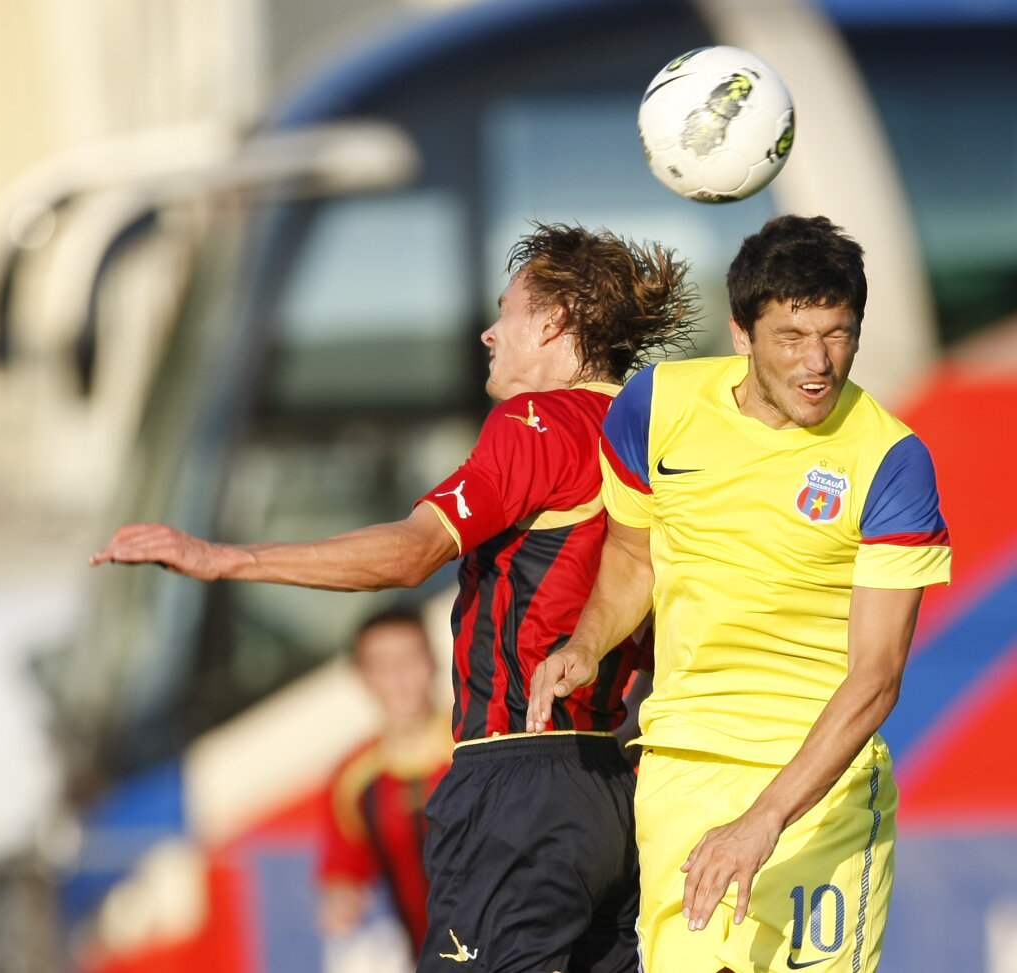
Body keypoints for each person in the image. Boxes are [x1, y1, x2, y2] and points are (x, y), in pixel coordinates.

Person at [90, 221, 698, 973]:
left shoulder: (537, 423)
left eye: (505, 311)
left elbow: (413, 553)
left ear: (553, 322)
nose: (487, 332)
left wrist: (225, 557)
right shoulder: (657, 432)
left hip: (519, 778)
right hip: (612, 783)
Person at [527, 214, 953, 973]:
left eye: (839, 333)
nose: (819, 361)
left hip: (820, 784)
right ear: (741, 334)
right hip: (680, 770)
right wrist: (587, 643)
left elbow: (877, 674)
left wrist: (763, 820)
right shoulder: (654, 407)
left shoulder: (892, 460)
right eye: (792, 335)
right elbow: (633, 558)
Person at [317, 606, 451, 964]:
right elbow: (344, 873)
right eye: (383, 666)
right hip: (424, 959)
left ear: (433, 663)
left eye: (410, 660)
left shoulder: (476, 748)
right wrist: (341, 905)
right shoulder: (354, 779)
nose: (400, 678)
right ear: (363, 677)